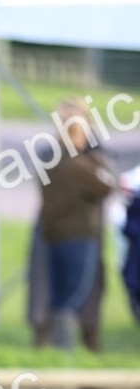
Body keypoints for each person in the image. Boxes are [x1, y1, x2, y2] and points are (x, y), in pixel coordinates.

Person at [37, 100, 116, 350]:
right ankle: (66, 349)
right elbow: (107, 184)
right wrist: (95, 156)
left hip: (54, 235)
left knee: (59, 296)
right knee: (73, 297)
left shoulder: (52, 161)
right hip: (81, 236)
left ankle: (60, 350)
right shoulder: (81, 166)